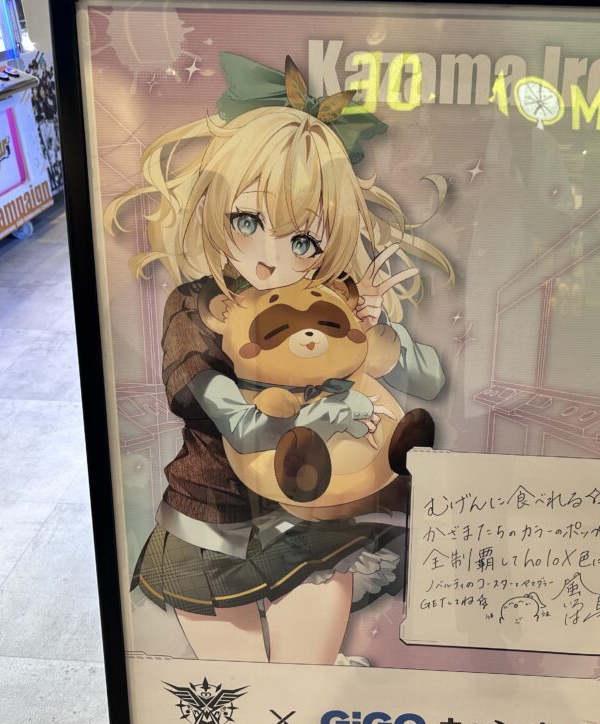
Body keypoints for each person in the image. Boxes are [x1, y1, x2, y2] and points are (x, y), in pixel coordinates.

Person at [104, 54, 453, 665]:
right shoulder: (196, 306)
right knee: (242, 693)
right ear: (214, 204)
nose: (270, 257)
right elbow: (236, 421)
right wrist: (324, 416)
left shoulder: (334, 292)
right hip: (214, 517)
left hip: (314, 514)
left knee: (303, 684)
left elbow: (428, 378)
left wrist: (373, 331)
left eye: (302, 239)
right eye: (247, 219)